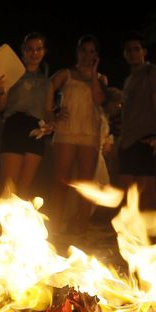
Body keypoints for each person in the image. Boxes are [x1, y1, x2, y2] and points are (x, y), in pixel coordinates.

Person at [48, 35, 107, 234]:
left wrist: (94, 74)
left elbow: (99, 100)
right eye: (84, 51)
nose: (87, 55)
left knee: (85, 184)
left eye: (92, 52)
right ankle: (55, 227)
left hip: (89, 132)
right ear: (78, 52)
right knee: (61, 181)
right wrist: (51, 112)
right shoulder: (66, 74)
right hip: (66, 131)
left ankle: (82, 228)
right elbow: (49, 86)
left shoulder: (101, 79)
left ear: (96, 55)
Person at [0, 32, 54, 199]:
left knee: (24, 189)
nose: (34, 53)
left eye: (38, 49)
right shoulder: (12, 75)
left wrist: (51, 124)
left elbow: (48, 111)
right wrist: (0, 90)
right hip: (15, 125)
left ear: (44, 51)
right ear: (23, 51)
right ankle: (0, 224)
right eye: (30, 49)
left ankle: (18, 224)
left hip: (36, 129)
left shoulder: (47, 82)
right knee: (7, 187)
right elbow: (0, 105)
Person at [116, 32, 156, 210]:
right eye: (128, 50)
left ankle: (146, 230)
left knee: (146, 186)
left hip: (146, 136)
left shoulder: (152, 72)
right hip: (128, 139)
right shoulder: (129, 79)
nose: (132, 53)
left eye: (136, 49)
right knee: (127, 186)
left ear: (144, 51)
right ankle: (130, 231)